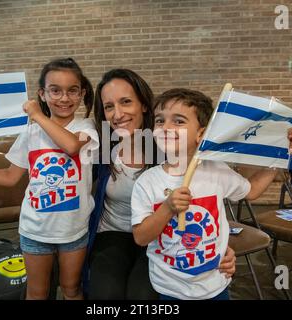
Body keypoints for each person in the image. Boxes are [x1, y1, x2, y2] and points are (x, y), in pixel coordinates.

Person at [0, 58, 99, 300]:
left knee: (71, 289)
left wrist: (37, 115)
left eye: (72, 90)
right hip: (35, 229)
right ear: (42, 94)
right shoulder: (31, 132)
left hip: (73, 230)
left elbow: (70, 146)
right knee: (36, 293)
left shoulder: (86, 127)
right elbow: (10, 176)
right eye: (55, 90)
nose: (64, 98)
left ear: (82, 93)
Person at [130, 88, 292, 300]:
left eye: (179, 121)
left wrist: (279, 156)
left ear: (201, 134)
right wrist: (167, 208)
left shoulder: (216, 171)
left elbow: (253, 190)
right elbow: (141, 237)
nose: (165, 127)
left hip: (215, 282)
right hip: (170, 287)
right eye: (159, 121)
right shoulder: (147, 182)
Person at [85, 70, 236, 299]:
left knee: (142, 297)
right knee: (106, 295)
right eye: (108, 106)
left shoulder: (172, 146)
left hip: (162, 239)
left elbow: (209, 197)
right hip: (113, 233)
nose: (117, 114)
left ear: (145, 105)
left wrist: (222, 246)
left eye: (126, 102)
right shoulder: (101, 147)